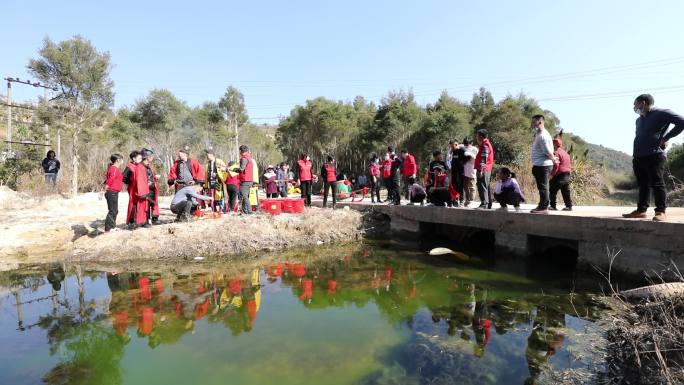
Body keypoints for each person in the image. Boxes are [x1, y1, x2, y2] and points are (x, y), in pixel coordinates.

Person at [623, 94, 684, 222]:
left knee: (657, 183)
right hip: (639, 156)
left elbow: (681, 122)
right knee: (643, 184)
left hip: (655, 155)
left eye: (635, 104)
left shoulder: (661, 113)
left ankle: (661, 211)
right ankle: (641, 211)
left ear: (643, 103)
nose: (634, 107)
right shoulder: (639, 120)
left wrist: (666, 138)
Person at [529, 115, 556, 214]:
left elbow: (547, 151)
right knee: (542, 186)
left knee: (543, 186)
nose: (532, 124)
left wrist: (553, 158)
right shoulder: (539, 134)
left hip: (543, 165)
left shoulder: (543, 136)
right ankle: (542, 205)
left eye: (533, 122)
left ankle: (544, 207)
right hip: (540, 164)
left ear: (540, 122)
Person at [123, 151, 150, 229]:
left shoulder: (141, 166)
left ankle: (143, 221)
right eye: (139, 158)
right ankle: (132, 222)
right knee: (134, 204)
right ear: (134, 159)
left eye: (141, 158)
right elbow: (124, 178)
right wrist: (132, 182)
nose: (141, 159)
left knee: (143, 204)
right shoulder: (130, 167)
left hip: (142, 188)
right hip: (133, 189)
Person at [549, 137, 573, 211]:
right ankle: (569, 206)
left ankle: (553, 206)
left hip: (560, 174)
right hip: (567, 174)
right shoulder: (565, 153)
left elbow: (556, 165)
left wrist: (552, 174)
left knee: (552, 188)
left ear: (554, 144)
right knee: (565, 190)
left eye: (552, 143)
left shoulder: (556, 152)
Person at [474, 129, 495, 209]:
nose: (476, 137)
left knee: (482, 185)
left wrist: (482, 169)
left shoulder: (485, 145)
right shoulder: (485, 144)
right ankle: (488, 203)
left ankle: (484, 203)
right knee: (485, 185)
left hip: (483, 169)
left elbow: (484, 158)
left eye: (477, 135)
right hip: (486, 168)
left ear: (481, 136)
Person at [103, 154, 123, 232]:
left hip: (114, 192)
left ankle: (113, 226)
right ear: (117, 160)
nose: (122, 161)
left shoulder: (114, 168)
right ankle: (108, 228)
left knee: (115, 210)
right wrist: (106, 188)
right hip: (111, 192)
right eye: (121, 159)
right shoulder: (114, 168)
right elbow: (111, 178)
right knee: (112, 210)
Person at [141, 148, 160, 224]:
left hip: (152, 188)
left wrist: (155, 177)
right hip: (146, 189)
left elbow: (150, 176)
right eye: (151, 156)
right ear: (147, 157)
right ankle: (146, 221)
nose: (152, 158)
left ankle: (154, 219)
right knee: (146, 205)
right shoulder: (141, 166)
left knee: (153, 204)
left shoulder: (149, 166)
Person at [238, 145, 258, 215]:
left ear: (241, 151)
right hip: (250, 180)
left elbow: (241, 169)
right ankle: (244, 211)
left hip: (245, 180)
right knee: (245, 195)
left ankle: (249, 211)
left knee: (244, 196)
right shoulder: (250, 158)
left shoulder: (244, 159)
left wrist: (235, 170)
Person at [462, 138, 478, 207]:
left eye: (467, 144)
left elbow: (475, 158)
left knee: (472, 186)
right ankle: (467, 199)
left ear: (471, 143)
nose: (466, 145)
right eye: (465, 144)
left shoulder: (475, 149)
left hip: (472, 170)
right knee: (465, 186)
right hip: (464, 170)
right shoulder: (462, 147)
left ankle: (471, 200)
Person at [449, 140, 466, 206]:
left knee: (460, 185)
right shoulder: (453, 151)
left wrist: (461, 163)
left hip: (460, 171)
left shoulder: (462, 151)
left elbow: (466, 159)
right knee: (454, 185)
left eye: (452, 146)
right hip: (453, 171)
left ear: (456, 144)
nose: (452, 148)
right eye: (451, 147)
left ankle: (461, 200)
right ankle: (455, 199)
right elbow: (451, 160)